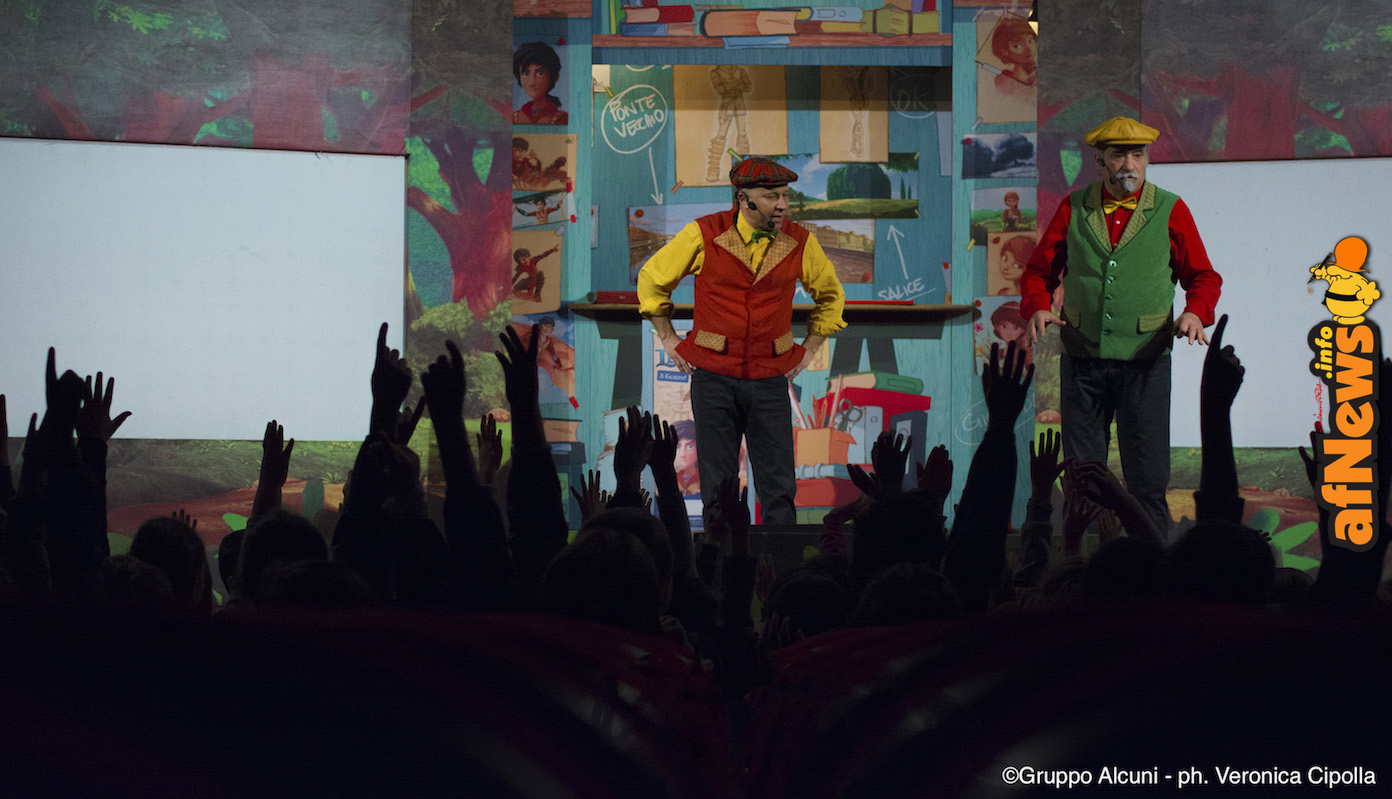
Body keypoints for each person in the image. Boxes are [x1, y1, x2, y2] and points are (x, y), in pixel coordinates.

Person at [1021, 116, 1222, 540]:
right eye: (1118, 155)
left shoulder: (1170, 208)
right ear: (1099, 161)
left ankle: (1153, 569)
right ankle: (1078, 564)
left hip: (1145, 362)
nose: (1129, 164)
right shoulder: (1075, 207)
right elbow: (1040, 271)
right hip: (1083, 361)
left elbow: (1203, 276)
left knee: (1148, 479)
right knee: (1081, 478)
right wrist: (1038, 305)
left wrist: (1194, 313)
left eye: (1138, 155)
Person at [638, 156, 846, 527]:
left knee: (778, 488)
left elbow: (831, 297)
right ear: (743, 198)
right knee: (718, 488)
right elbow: (653, 278)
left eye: (784, 196)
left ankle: (779, 561)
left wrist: (810, 348)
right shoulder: (704, 233)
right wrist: (667, 336)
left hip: (769, 378)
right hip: (714, 378)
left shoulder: (799, 240)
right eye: (771, 196)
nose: (782, 204)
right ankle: (720, 560)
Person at [512, 41, 567, 126]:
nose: (532, 82)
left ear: (554, 76)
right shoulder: (515, 117)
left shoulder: (560, 117)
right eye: (526, 73)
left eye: (540, 73)